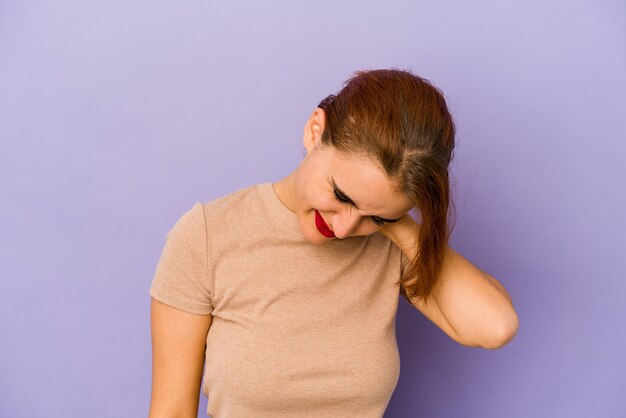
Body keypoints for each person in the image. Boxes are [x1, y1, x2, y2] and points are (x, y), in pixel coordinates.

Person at [148, 69, 519, 418]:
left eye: (374, 217)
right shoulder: (208, 235)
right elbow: (172, 411)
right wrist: (375, 210)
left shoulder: (391, 245)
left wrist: (396, 225)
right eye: (341, 194)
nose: (343, 228)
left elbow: (495, 327)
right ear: (314, 131)